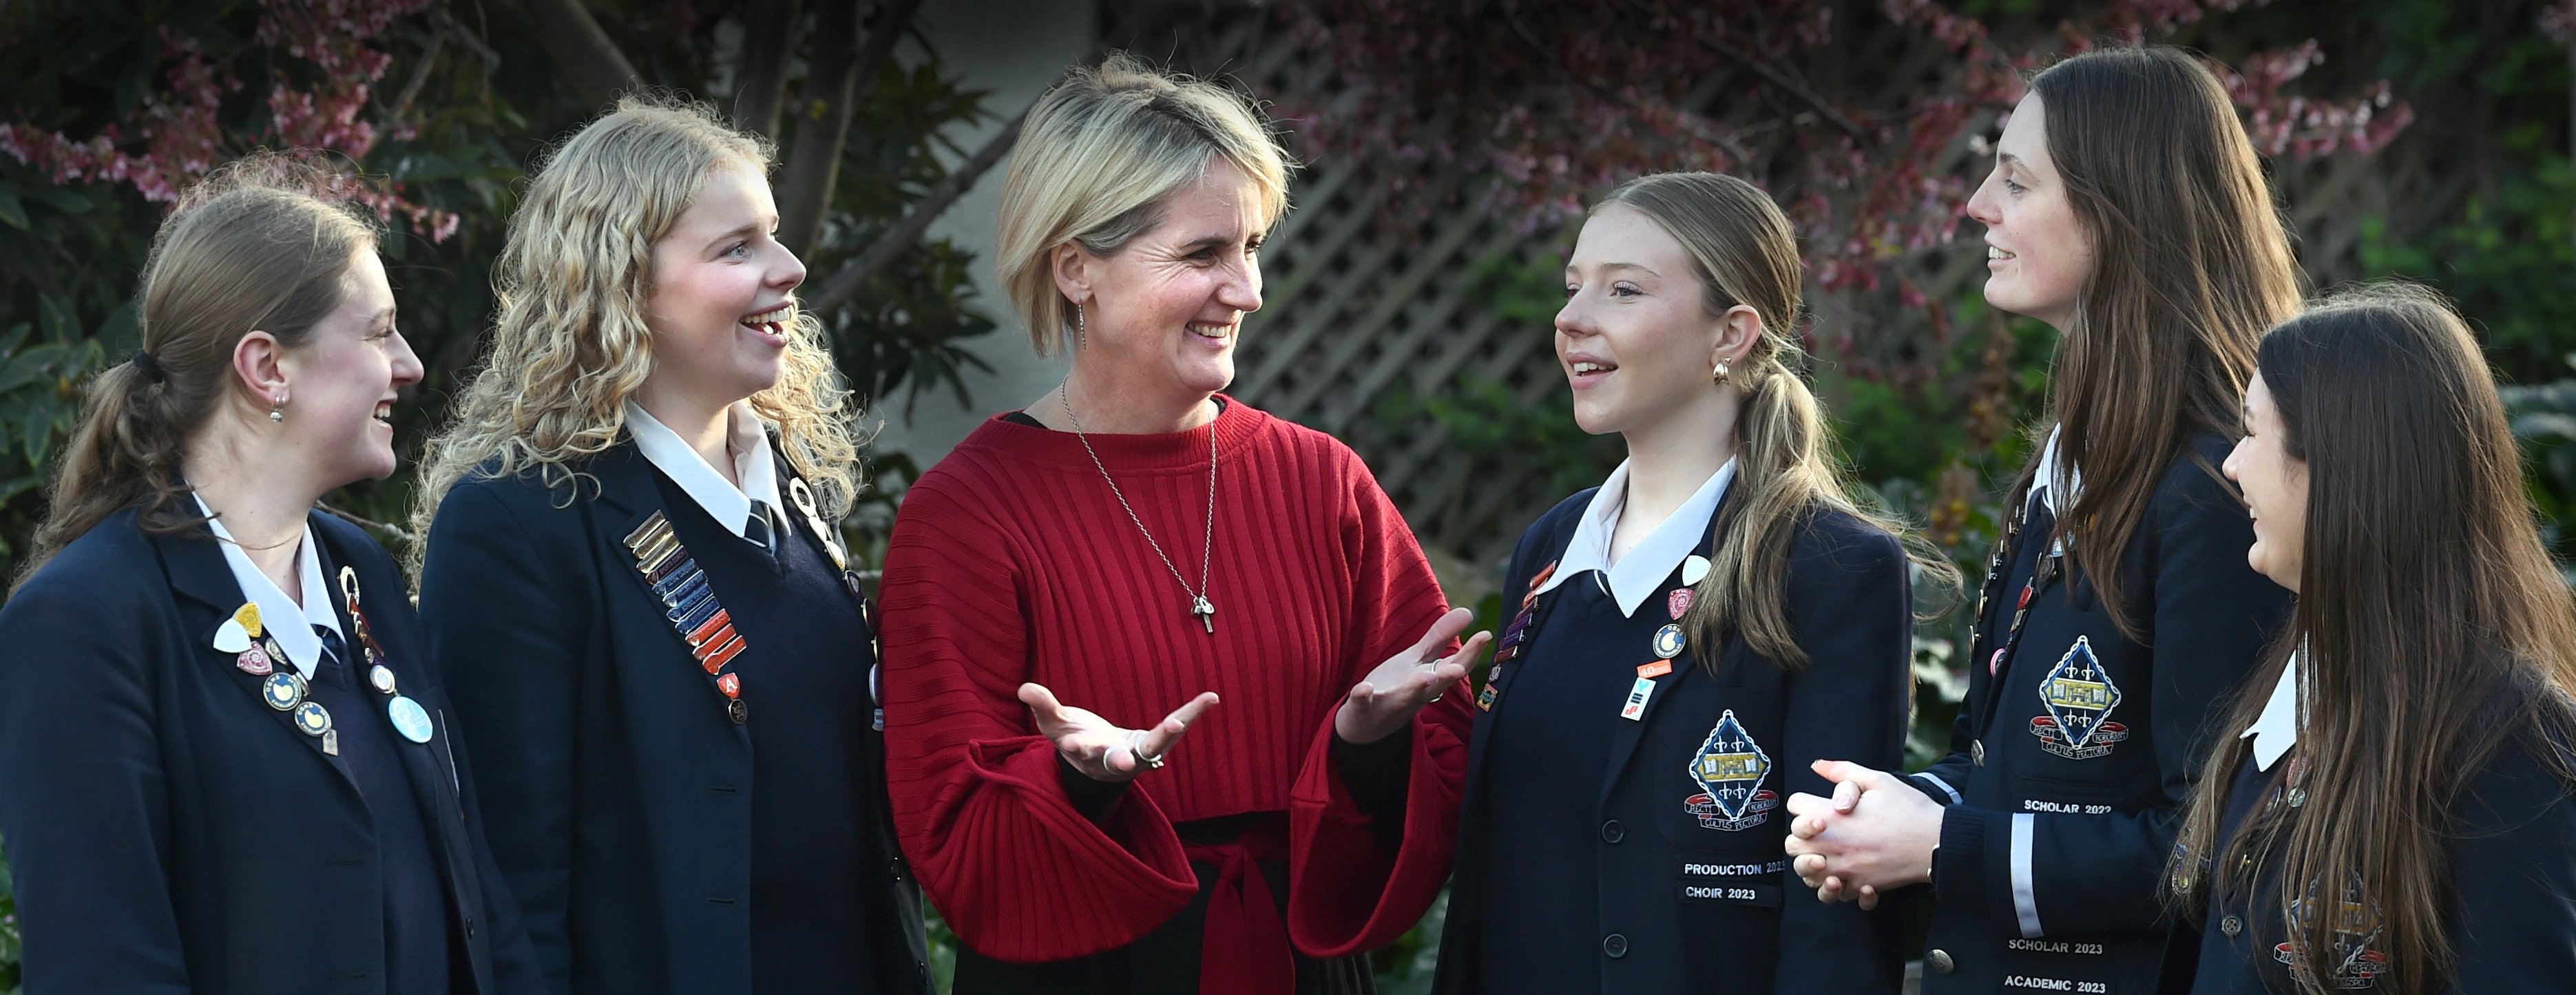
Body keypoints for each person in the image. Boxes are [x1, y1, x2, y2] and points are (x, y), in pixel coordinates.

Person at [877, 53, 1485, 995]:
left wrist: (1369, 748)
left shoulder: (1324, 481)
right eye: (1203, 255)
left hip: (1297, 964)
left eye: (1250, 248)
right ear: (1075, 267)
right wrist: (1082, 782)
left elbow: (1449, 761)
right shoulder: (968, 512)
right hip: (1084, 973)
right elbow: (950, 832)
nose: (1246, 290)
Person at [1780, 45, 2299, 994]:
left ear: (2120, 210)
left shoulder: (2221, 486)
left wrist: (1943, 846)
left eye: (2014, 181)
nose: (1977, 204)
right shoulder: (2079, 459)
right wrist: (1893, 816)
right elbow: (2015, 766)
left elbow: (2227, 842)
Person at [410, 96, 930, 995]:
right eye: (737, 248)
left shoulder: (794, 492)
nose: (792, 268)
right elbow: (508, 890)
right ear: (618, 282)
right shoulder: (517, 523)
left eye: (773, 236)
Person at [0, 157, 543, 994]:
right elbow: (102, 967)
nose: (410, 364)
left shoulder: (358, 570)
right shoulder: (86, 618)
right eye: (377, 331)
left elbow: (477, 900)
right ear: (266, 369)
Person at [1431, 172, 1955, 995]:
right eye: (1572, 289)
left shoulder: (1832, 567)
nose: (1570, 319)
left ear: (1733, 332)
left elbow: (1834, 914)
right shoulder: (1552, 547)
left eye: (1623, 290)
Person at [2174, 284, 2576, 994]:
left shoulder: (2507, 730)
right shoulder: (2294, 686)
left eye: (2251, 432)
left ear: (2340, 462)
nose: (2231, 465)